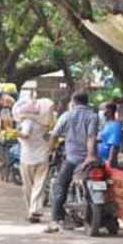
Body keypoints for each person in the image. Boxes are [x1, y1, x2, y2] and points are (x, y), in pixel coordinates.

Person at [45, 92, 99, 233]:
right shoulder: (93, 116)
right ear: (87, 103)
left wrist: (49, 151)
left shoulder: (66, 116)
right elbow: (91, 136)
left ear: (73, 102)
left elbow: (54, 135)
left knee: (60, 186)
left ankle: (56, 219)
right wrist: (90, 155)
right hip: (90, 160)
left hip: (72, 158)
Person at [17, 99, 54, 224]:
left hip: (27, 158)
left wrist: (16, 134)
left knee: (28, 186)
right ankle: (35, 210)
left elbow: (26, 135)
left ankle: (32, 210)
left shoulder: (27, 122)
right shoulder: (43, 124)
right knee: (39, 186)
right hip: (42, 156)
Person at [97, 102, 122, 167]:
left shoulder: (115, 126)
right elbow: (103, 139)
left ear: (109, 111)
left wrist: (109, 163)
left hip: (106, 162)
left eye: (103, 110)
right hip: (100, 160)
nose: (102, 112)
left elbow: (114, 146)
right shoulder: (107, 124)